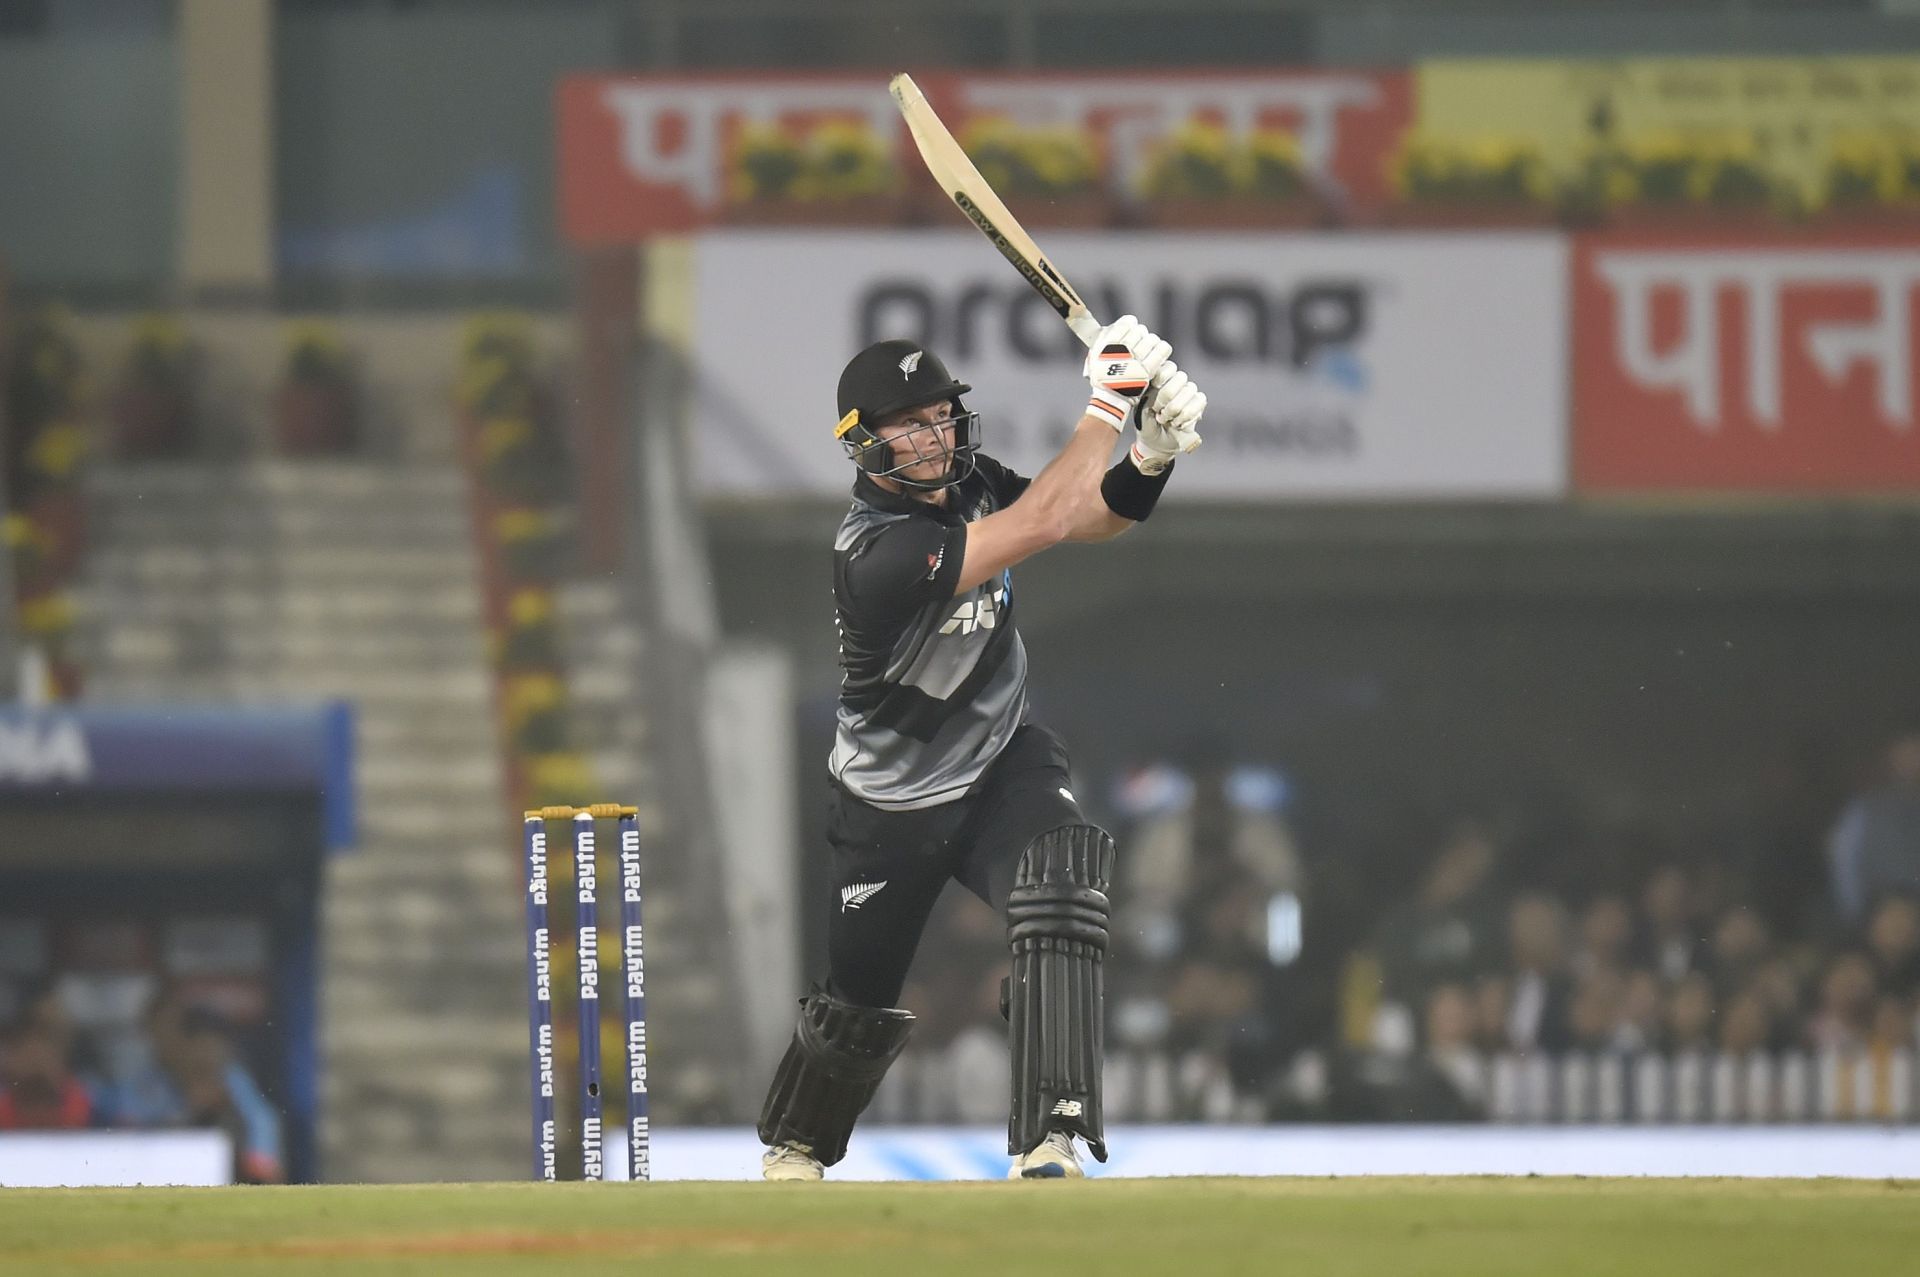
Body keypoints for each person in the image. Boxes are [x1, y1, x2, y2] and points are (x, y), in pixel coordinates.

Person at [755, 317, 1207, 1181]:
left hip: (1002, 760)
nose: (933, 437)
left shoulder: (973, 485)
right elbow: (1039, 522)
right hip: (890, 804)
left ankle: (1052, 1134)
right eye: (909, 424)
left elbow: (1080, 515)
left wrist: (1150, 456)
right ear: (863, 445)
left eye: (940, 416)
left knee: (1063, 890)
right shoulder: (875, 552)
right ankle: (801, 1146)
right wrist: (1109, 401)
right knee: (859, 996)